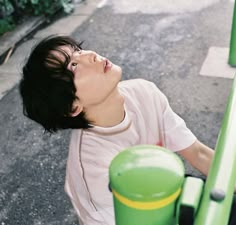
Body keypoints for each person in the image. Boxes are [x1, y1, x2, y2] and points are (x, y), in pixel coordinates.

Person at [19, 35, 236, 225]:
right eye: (73, 65)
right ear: (73, 106)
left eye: (78, 50)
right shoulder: (94, 166)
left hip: (162, 186)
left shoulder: (143, 92)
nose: (89, 55)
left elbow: (197, 152)